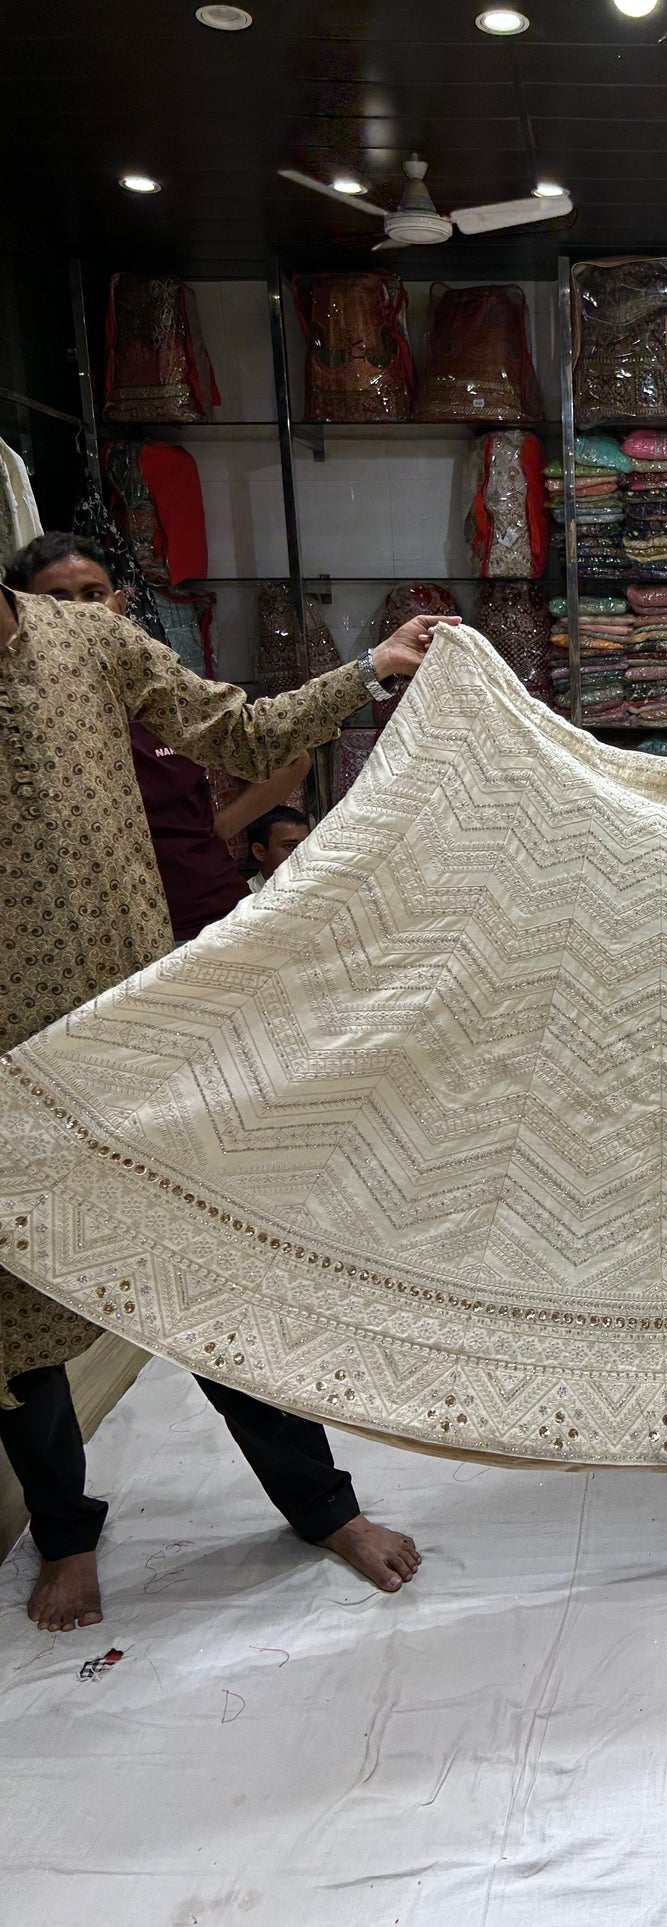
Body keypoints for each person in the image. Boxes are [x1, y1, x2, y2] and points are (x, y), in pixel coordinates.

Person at [0, 550, 455, 1633]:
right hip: (4, 1059)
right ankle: (64, 1530)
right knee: (14, 1317)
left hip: (134, 1036)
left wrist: (371, 669)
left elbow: (239, 734)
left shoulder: (89, 641)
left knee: (209, 1270)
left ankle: (322, 1509)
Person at [4, 534, 311, 942]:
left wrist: (220, 826)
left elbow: (281, 749)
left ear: (119, 604)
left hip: (209, 912)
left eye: (92, 595)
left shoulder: (161, 695)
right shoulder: (26, 714)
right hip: (101, 933)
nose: (79, 613)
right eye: (57, 599)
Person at [247, 803, 311, 891]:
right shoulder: (243, 899)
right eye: (290, 846)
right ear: (260, 852)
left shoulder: (321, 889)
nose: (302, 854)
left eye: (306, 845)